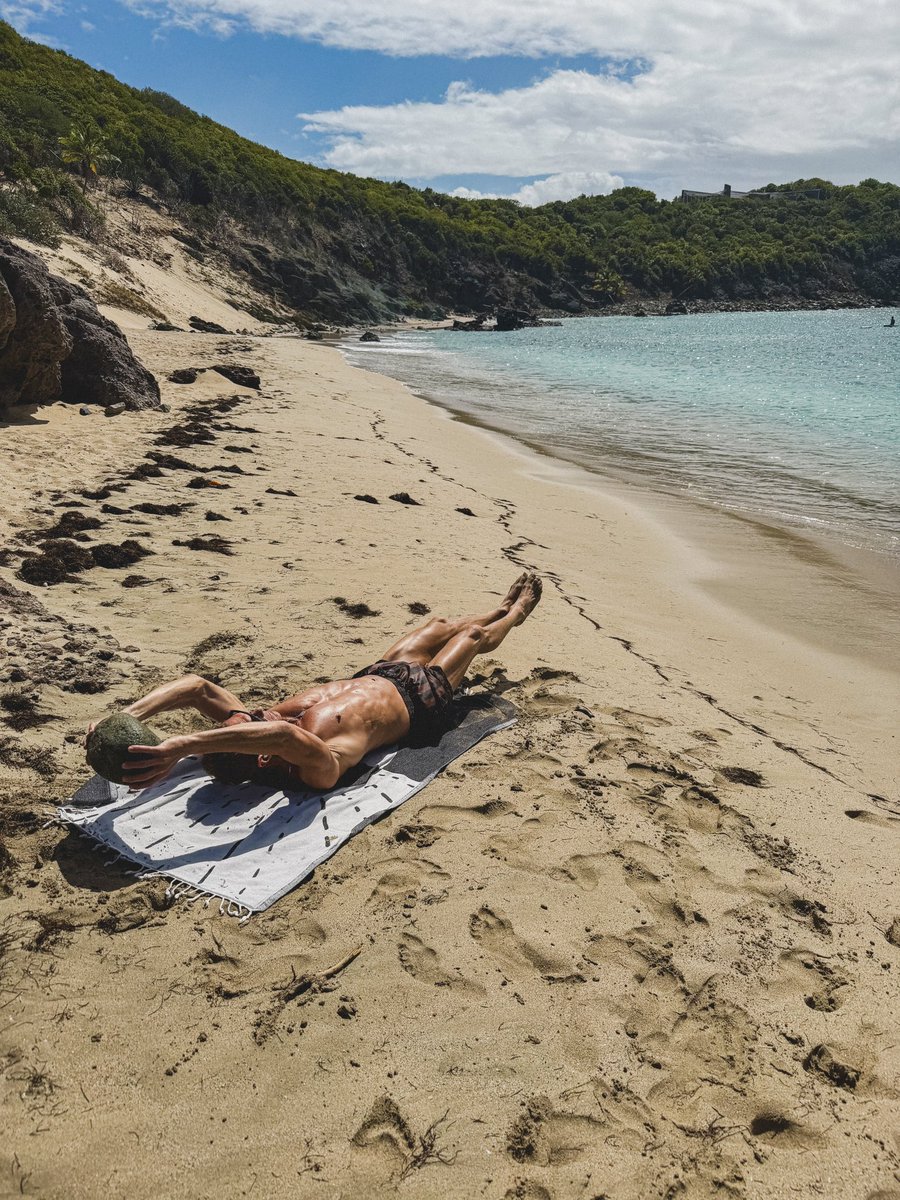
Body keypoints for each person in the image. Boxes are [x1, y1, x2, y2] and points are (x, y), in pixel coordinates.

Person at [105, 572, 542, 793]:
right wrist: (183, 746)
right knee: (471, 637)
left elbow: (197, 686)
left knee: (440, 624)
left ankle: (496, 606)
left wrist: (128, 714)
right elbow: (276, 734)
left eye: (244, 719)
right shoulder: (315, 765)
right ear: (260, 758)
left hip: (379, 673)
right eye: (243, 725)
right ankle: (516, 614)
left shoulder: (254, 727)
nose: (250, 714)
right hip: (421, 699)